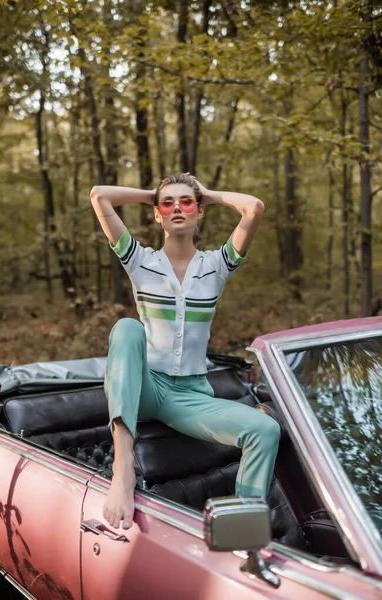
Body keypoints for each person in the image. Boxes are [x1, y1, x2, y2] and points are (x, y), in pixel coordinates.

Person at [90, 172, 280, 530]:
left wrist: (206, 193)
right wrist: (152, 194)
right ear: (157, 215)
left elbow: (253, 208)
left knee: (265, 430)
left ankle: (240, 529)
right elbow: (100, 195)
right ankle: (122, 469)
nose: (177, 207)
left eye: (186, 202)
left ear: (199, 212)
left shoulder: (216, 267)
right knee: (128, 328)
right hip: (146, 387)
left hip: (190, 397)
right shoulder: (139, 261)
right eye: (168, 203)